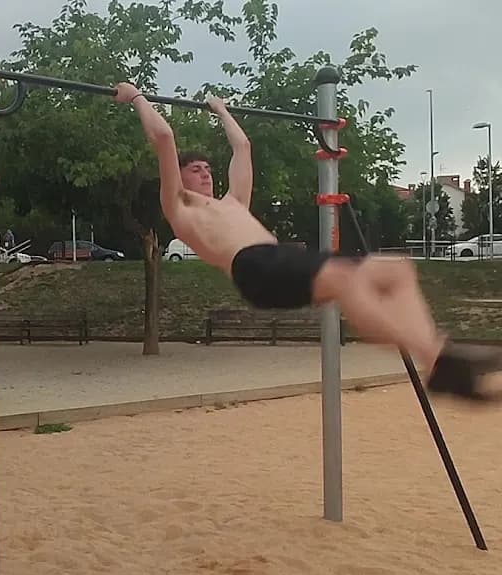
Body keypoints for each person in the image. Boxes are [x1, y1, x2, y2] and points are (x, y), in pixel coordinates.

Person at [114, 83, 502, 403]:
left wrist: (221, 111)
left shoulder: (234, 203)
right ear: (178, 178)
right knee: (350, 284)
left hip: (278, 258)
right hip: (255, 268)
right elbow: (164, 136)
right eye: (195, 170)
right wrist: (135, 96)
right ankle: (438, 358)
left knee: (398, 270)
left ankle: (437, 359)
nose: (204, 175)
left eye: (207, 169)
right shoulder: (179, 207)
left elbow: (243, 147)